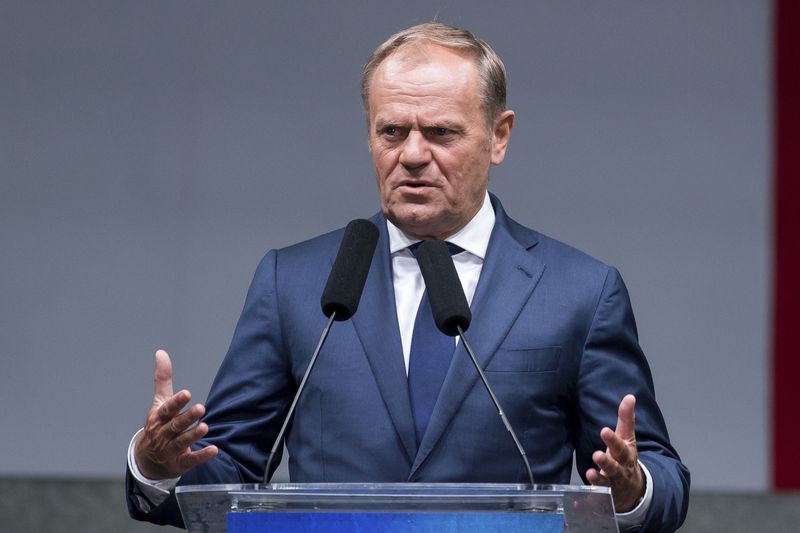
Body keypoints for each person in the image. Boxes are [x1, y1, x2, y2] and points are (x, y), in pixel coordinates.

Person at [126, 23, 689, 531]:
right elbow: (229, 472)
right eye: (392, 131)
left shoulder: (580, 292)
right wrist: (158, 464)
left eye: (441, 132)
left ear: (499, 136)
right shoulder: (293, 282)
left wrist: (632, 489)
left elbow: (664, 480)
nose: (413, 154)